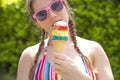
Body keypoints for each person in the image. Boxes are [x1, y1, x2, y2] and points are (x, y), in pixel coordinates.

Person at [17, 0, 114, 80]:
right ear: (37, 22)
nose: (52, 15)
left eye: (56, 5)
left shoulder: (94, 49)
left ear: (65, 5)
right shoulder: (29, 56)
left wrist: (79, 77)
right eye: (42, 14)